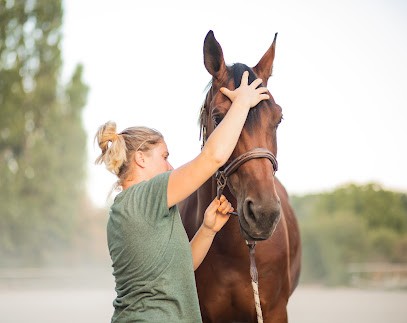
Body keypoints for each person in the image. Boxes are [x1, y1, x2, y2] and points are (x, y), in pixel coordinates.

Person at [95, 71, 270, 322]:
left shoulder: (126, 209)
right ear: (140, 158)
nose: (170, 167)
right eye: (164, 156)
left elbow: (179, 270)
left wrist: (207, 230)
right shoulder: (146, 195)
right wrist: (241, 104)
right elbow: (212, 157)